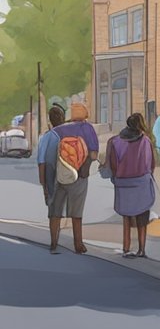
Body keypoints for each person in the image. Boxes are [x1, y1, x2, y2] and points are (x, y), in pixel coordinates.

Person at [40, 103, 99, 255]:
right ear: (85, 114)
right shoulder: (88, 129)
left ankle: (53, 243)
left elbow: (51, 154)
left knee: (55, 211)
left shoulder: (58, 130)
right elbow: (93, 155)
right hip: (79, 176)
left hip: (60, 176)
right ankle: (78, 244)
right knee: (76, 212)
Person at [108, 113, 157, 258]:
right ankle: (141, 249)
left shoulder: (116, 141)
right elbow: (150, 164)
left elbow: (113, 164)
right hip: (141, 182)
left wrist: (117, 176)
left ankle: (126, 246)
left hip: (123, 183)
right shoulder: (145, 141)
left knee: (126, 215)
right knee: (142, 216)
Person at [34, 105, 64, 254]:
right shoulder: (68, 134)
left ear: (50, 120)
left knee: (54, 212)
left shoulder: (47, 137)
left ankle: (54, 242)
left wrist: (43, 184)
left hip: (53, 179)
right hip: (71, 178)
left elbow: (41, 162)